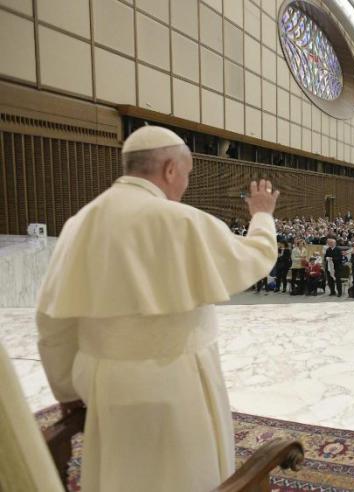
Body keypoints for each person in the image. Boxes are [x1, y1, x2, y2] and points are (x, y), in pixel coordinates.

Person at [35, 126, 280, 492]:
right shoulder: (181, 221)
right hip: (176, 382)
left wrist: (67, 390)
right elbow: (255, 257)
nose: (184, 184)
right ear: (169, 170)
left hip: (104, 382)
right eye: (186, 174)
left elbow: (52, 321)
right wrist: (261, 215)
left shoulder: (78, 223)